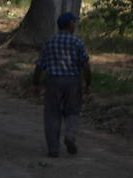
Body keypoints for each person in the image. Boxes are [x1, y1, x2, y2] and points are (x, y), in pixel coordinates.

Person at [32, 11, 91, 158]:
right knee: (72, 112)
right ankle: (70, 135)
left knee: (52, 114)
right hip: (73, 82)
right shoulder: (77, 42)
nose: (75, 25)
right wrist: (88, 83)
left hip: (53, 81)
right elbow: (86, 65)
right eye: (74, 22)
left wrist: (36, 83)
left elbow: (40, 65)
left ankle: (53, 148)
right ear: (69, 24)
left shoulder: (49, 42)